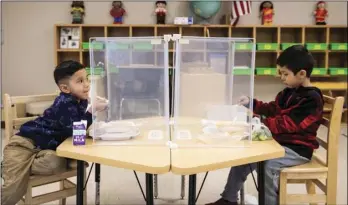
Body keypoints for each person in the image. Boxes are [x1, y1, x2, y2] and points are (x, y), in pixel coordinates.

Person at [206, 45, 324, 205]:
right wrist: (252, 103)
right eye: (280, 73)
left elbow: (288, 124)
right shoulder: (287, 92)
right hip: (279, 143)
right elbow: (272, 109)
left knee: (269, 166)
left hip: (297, 149)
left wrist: (257, 120)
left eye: (285, 74)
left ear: (302, 74)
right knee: (245, 154)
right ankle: (229, 199)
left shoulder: (312, 99)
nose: (281, 77)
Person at [1, 60, 108, 205]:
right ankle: (11, 167)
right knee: (13, 191)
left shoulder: (80, 101)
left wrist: (92, 107)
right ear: (65, 88)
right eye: (80, 81)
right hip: (24, 144)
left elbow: (79, 131)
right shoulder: (63, 103)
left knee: (55, 164)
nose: (87, 84)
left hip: (45, 149)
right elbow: (76, 128)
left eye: (87, 79)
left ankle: (17, 167)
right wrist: (91, 110)